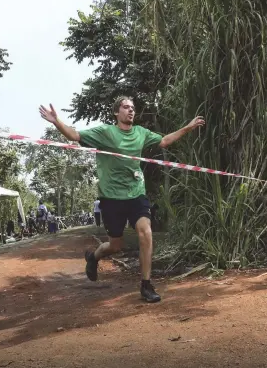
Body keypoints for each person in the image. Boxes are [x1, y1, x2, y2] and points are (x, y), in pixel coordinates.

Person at [39, 97, 204, 303]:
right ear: (117, 112)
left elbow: (164, 141)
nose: (131, 111)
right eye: (126, 107)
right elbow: (75, 135)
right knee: (115, 245)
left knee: (146, 232)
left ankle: (146, 285)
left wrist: (187, 128)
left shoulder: (141, 133)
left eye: (133, 108)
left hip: (136, 193)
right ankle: (94, 257)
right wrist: (57, 122)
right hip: (111, 198)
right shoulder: (106, 132)